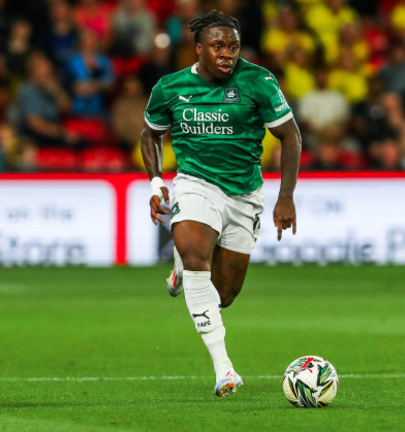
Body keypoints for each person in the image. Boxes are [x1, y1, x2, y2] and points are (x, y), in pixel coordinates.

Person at [140, 10, 301, 398]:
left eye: (233, 46)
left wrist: (286, 197)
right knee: (196, 254)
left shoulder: (258, 81)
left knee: (223, 294)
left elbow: (290, 136)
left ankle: (182, 268)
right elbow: (151, 133)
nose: (227, 53)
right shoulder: (171, 87)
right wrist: (156, 181)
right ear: (199, 49)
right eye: (217, 46)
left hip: (245, 194)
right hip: (196, 184)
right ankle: (224, 369)